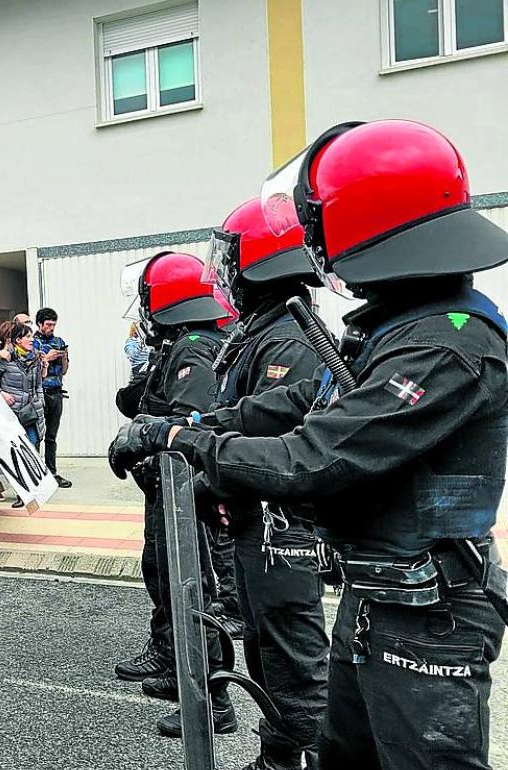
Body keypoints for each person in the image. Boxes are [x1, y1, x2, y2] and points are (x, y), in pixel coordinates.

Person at [112, 119, 508, 770]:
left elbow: (313, 457)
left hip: (429, 614)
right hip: (379, 598)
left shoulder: (447, 343)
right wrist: (209, 429)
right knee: (340, 756)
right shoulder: (401, 326)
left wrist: (180, 436)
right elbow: (303, 402)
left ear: (358, 222)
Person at [199, 199, 330, 770]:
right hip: (258, 514)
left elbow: (278, 421)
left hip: (284, 523)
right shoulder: (265, 329)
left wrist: (197, 441)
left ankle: (303, 754)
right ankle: (280, 754)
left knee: (292, 653)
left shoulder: (293, 336)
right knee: (265, 645)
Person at [107, 250, 236, 737]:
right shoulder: (183, 343)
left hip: (184, 492)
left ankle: (212, 698)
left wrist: (146, 436)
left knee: (192, 586)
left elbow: (191, 422)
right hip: (165, 489)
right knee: (162, 573)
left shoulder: (195, 348)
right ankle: (171, 660)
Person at [0, 322, 47, 509]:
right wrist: (2, 394)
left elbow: (38, 384)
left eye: (32, 336)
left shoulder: (36, 358)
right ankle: (23, 493)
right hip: (11, 415)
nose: (31, 340)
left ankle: (33, 488)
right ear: (18, 340)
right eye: (27, 336)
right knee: (16, 452)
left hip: (32, 411)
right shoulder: (5, 359)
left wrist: (40, 401)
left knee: (33, 446)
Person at [33, 308, 73, 488]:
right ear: (40, 324)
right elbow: (31, 369)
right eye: (48, 324)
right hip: (40, 393)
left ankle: (52, 471)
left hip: (57, 392)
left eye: (53, 324)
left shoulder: (59, 341)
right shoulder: (32, 343)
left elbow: (64, 370)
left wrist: (63, 357)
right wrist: (47, 358)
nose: (51, 328)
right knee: (35, 436)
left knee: (51, 436)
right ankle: (34, 473)